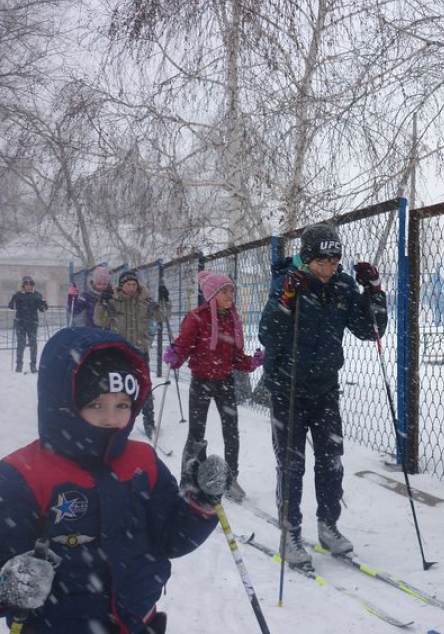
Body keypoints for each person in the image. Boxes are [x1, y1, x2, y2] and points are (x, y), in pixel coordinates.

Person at [0, 327, 227, 634]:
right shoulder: (22, 474)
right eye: (96, 405)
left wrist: (200, 503)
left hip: (137, 622)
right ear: (62, 404)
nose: (111, 419)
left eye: (122, 405)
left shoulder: (142, 460)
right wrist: (9, 587)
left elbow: (170, 539)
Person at [258, 223, 388, 570]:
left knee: (331, 460)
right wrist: (286, 300)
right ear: (307, 257)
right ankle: (291, 532)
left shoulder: (344, 286)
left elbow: (369, 330)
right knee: (292, 464)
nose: (329, 266)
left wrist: (373, 291)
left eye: (335, 259)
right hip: (287, 389)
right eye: (322, 260)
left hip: (325, 388)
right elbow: (267, 334)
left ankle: (328, 525)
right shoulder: (288, 281)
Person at [163, 270, 265, 503]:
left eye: (231, 290)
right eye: (224, 291)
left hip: (225, 381)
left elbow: (237, 357)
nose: (230, 295)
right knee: (196, 433)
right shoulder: (196, 317)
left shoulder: (232, 319)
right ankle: (189, 479)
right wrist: (174, 356)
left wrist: (253, 362)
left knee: (231, 431)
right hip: (201, 382)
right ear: (212, 294)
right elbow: (184, 346)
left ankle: (230, 478)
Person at [94, 270, 163, 438]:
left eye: (134, 284)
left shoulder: (145, 301)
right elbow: (99, 320)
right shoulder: (114, 301)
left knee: (145, 386)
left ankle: (149, 421)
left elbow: (162, 317)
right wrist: (102, 303)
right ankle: (115, 420)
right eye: (128, 284)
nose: (132, 287)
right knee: (117, 388)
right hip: (120, 351)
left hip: (140, 350)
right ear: (121, 286)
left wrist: (163, 302)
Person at [8, 275, 48, 373]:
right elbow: (11, 306)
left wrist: (44, 304)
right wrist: (13, 298)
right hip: (20, 323)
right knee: (20, 344)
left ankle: (33, 365)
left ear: (33, 285)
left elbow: (42, 309)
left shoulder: (37, 295)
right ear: (23, 285)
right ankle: (19, 365)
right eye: (26, 284)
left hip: (32, 323)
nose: (28, 286)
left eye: (30, 284)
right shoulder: (18, 295)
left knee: (33, 344)